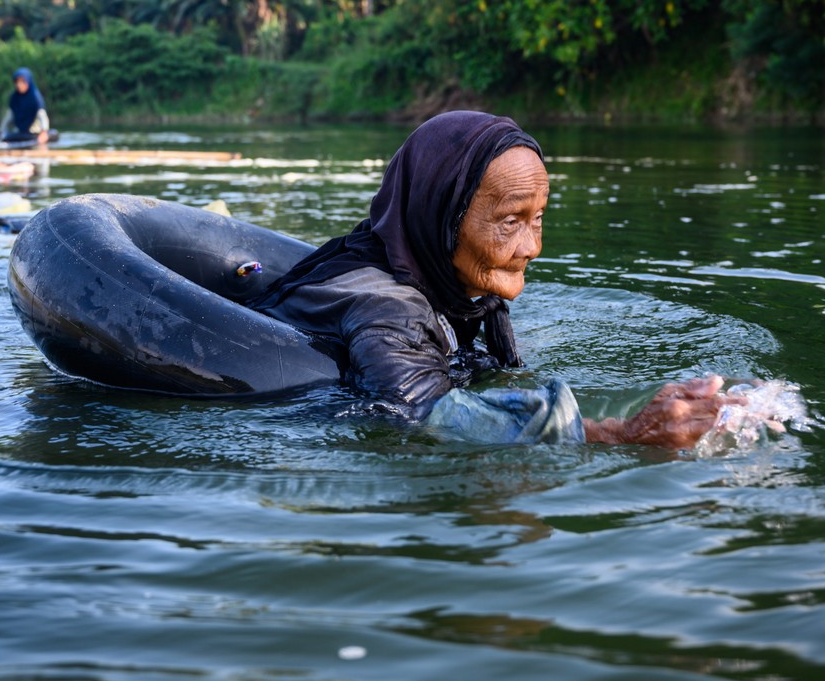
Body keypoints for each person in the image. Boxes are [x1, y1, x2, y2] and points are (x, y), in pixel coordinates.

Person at [252, 110, 742, 448]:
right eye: (510, 221)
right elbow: (424, 419)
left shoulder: (438, 277)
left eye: (539, 218)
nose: (531, 247)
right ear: (442, 215)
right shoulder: (389, 309)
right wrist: (621, 434)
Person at [0, 67, 51, 146]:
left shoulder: (35, 96)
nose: (19, 85)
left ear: (28, 81)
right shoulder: (14, 97)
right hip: (19, 131)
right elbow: (9, 117)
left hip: (34, 131)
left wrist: (44, 132)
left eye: (22, 82)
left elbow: (42, 115)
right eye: (17, 82)